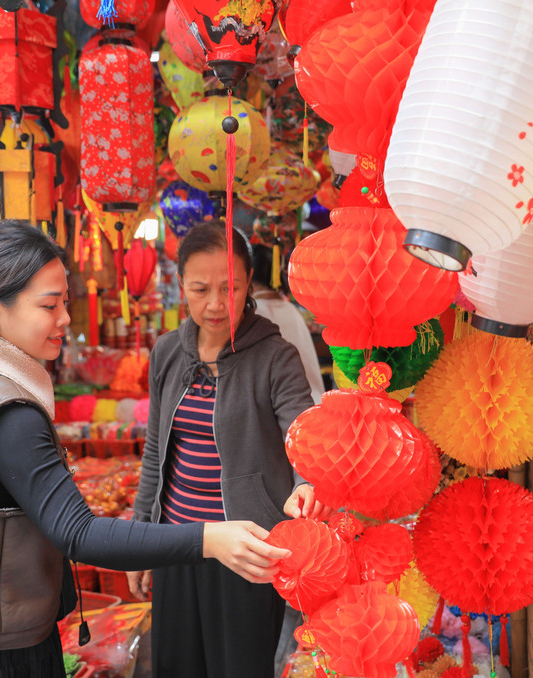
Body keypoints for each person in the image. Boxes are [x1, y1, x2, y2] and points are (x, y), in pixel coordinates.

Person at [0, 220, 291, 678]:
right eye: (49, 305)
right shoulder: (6, 415)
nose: (65, 319)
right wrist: (210, 537)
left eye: (65, 302)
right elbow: (78, 532)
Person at [127, 222, 333, 678]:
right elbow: (156, 451)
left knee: (239, 667)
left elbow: (304, 435)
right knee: (176, 666)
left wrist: (306, 483)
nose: (216, 303)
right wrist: (141, 537)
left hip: (247, 549)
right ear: (181, 283)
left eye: (230, 287)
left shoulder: (275, 357)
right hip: (176, 541)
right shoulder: (167, 353)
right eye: (200, 289)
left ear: (249, 283)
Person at [250, 243, 325, 404]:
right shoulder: (291, 310)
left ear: (248, 276)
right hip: (313, 402)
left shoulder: (256, 312)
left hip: (291, 407)